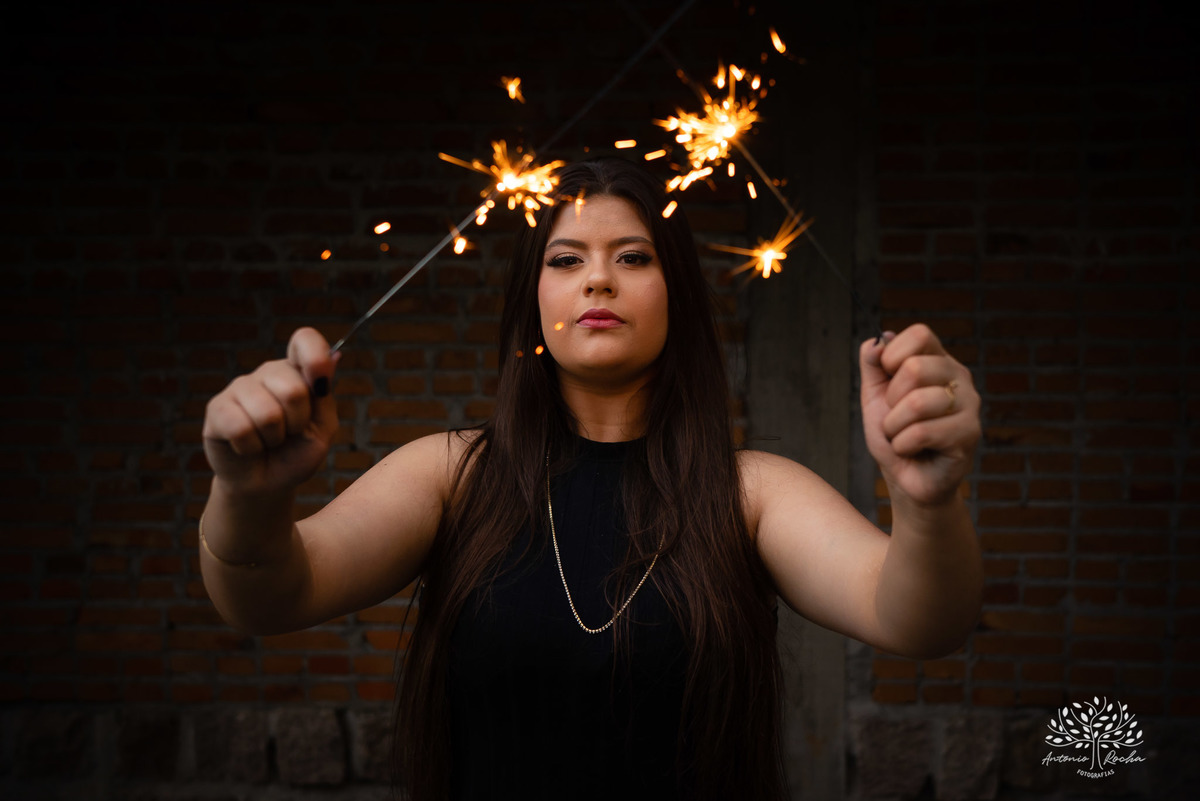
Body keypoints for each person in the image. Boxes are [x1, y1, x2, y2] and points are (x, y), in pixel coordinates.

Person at [199, 158, 983, 801]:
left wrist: (928, 499)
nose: (598, 280)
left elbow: (918, 619)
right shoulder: (451, 475)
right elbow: (269, 593)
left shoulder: (752, 492)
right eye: (566, 259)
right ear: (531, 301)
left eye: (633, 257)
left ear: (675, 293)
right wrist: (247, 494)